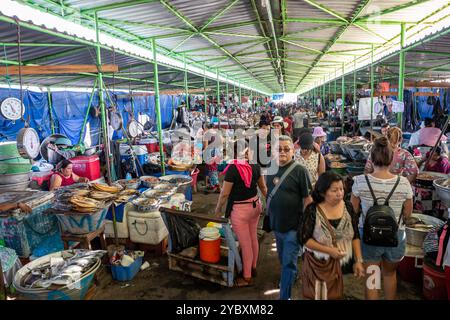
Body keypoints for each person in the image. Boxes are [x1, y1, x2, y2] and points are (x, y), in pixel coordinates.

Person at [351, 137, 413, 300]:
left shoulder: (359, 181)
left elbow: (353, 211)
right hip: (396, 236)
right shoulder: (404, 183)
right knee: (389, 274)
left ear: (371, 158)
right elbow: (408, 214)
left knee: (372, 275)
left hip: (368, 234)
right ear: (392, 159)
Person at [301, 172, 364, 300]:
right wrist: (330, 250)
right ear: (323, 192)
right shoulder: (313, 210)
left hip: (343, 261)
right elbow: (304, 239)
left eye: (341, 189)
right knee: (320, 295)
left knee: (336, 292)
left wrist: (358, 260)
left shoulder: (348, 206)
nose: (340, 193)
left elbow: (355, 235)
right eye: (334, 190)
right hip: (320, 263)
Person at [266, 135, 313, 300]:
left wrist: (307, 224)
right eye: (279, 149)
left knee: (287, 262)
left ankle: (284, 296)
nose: (282, 152)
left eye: (287, 149)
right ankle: (291, 274)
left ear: (293, 151)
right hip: (277, 225)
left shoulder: (300, 170)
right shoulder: (270, 169)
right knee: (283, 258)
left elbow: (308, 199)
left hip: (294, 227)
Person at [214, 141, 267, 286]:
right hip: (256, 206)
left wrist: (218, 209)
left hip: (240, 211)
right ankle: (253, 266)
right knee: (252, 237)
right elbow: (263, 187)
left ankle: (247, 277)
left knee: (245, 244)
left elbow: (224, 194)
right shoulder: (256, 166)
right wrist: (270, 202)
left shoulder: (233, 169)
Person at [203, 124, 223, 193]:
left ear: (206, 127)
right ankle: (212, 185)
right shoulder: (216, 132)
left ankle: (219, 187)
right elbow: (222, 141)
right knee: (213, 169)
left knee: (211, 171)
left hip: (210, 154)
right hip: (217, 152)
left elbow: (205, 147)